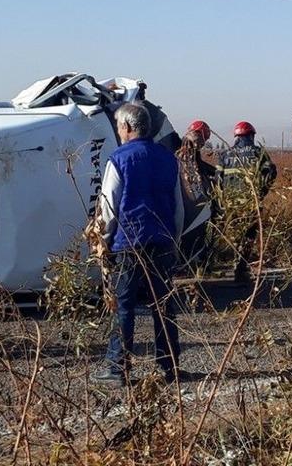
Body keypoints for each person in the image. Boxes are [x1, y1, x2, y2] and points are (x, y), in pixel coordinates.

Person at [92, 103, 185, 386]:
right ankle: (169, 366)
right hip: (161, 241)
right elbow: (178, 206)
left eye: (120, 126)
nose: (119, 131)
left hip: (129, 242)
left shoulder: (119, 158)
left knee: (124, 305)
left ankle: (118, 367)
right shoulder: (168, 159)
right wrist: (174, 239)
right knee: (163, 304)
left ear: (128, 128)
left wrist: (103, 242)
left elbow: (108, 207)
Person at [217, 121, 277, 282]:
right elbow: (271, 173)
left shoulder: (225, 155)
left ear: (236, 137)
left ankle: (238, 267)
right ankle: (240, 270)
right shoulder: (259, 153)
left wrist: (223, 201)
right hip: (251, 204)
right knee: (248, 237)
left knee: (237, 237)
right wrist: (261, 193)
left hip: (231, 205)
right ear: (251, 136)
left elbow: (217, 181)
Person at [177, 120, 217, 269]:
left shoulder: (185, 150)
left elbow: (200, 166)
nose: (200, 143)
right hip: (191, 201)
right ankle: (193, 261)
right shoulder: (186, 151)